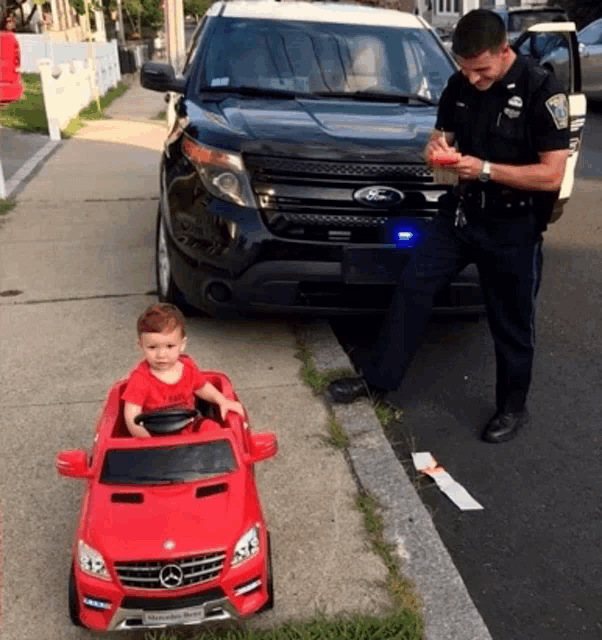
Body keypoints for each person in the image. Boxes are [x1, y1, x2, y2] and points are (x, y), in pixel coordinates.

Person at [328, 9, 570, 444]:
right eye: (465, 69)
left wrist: (485, 170)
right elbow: (441, 146)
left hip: (513, 225)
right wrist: (436, 150)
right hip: (461, 216)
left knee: (511, 322)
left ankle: (512, 408)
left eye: (481, 70)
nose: (473, 79)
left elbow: (551, 175)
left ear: (504, 51)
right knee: (413, 287)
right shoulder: (459, 86)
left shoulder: (541, 89)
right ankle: (378, 381)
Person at [122, 303, 246, 438]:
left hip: (190, 425)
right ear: (141, 346)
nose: (161, 354)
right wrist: (149, 442)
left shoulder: (187, 367)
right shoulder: (140, 379)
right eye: (152, 347)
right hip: (155, 432)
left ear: (182, 345)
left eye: (170, 346)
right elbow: (131, 418)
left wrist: (222, 400)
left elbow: (202, 387)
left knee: (214, 431)